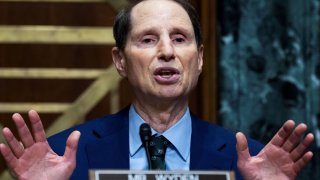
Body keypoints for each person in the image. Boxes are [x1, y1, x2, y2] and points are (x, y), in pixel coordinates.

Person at [0, 0, 314, 180]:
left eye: (179, 39)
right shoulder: (59, 158)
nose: (166, 51)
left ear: (200, 58)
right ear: (120, 61)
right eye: (148, 40)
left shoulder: (253, 162)